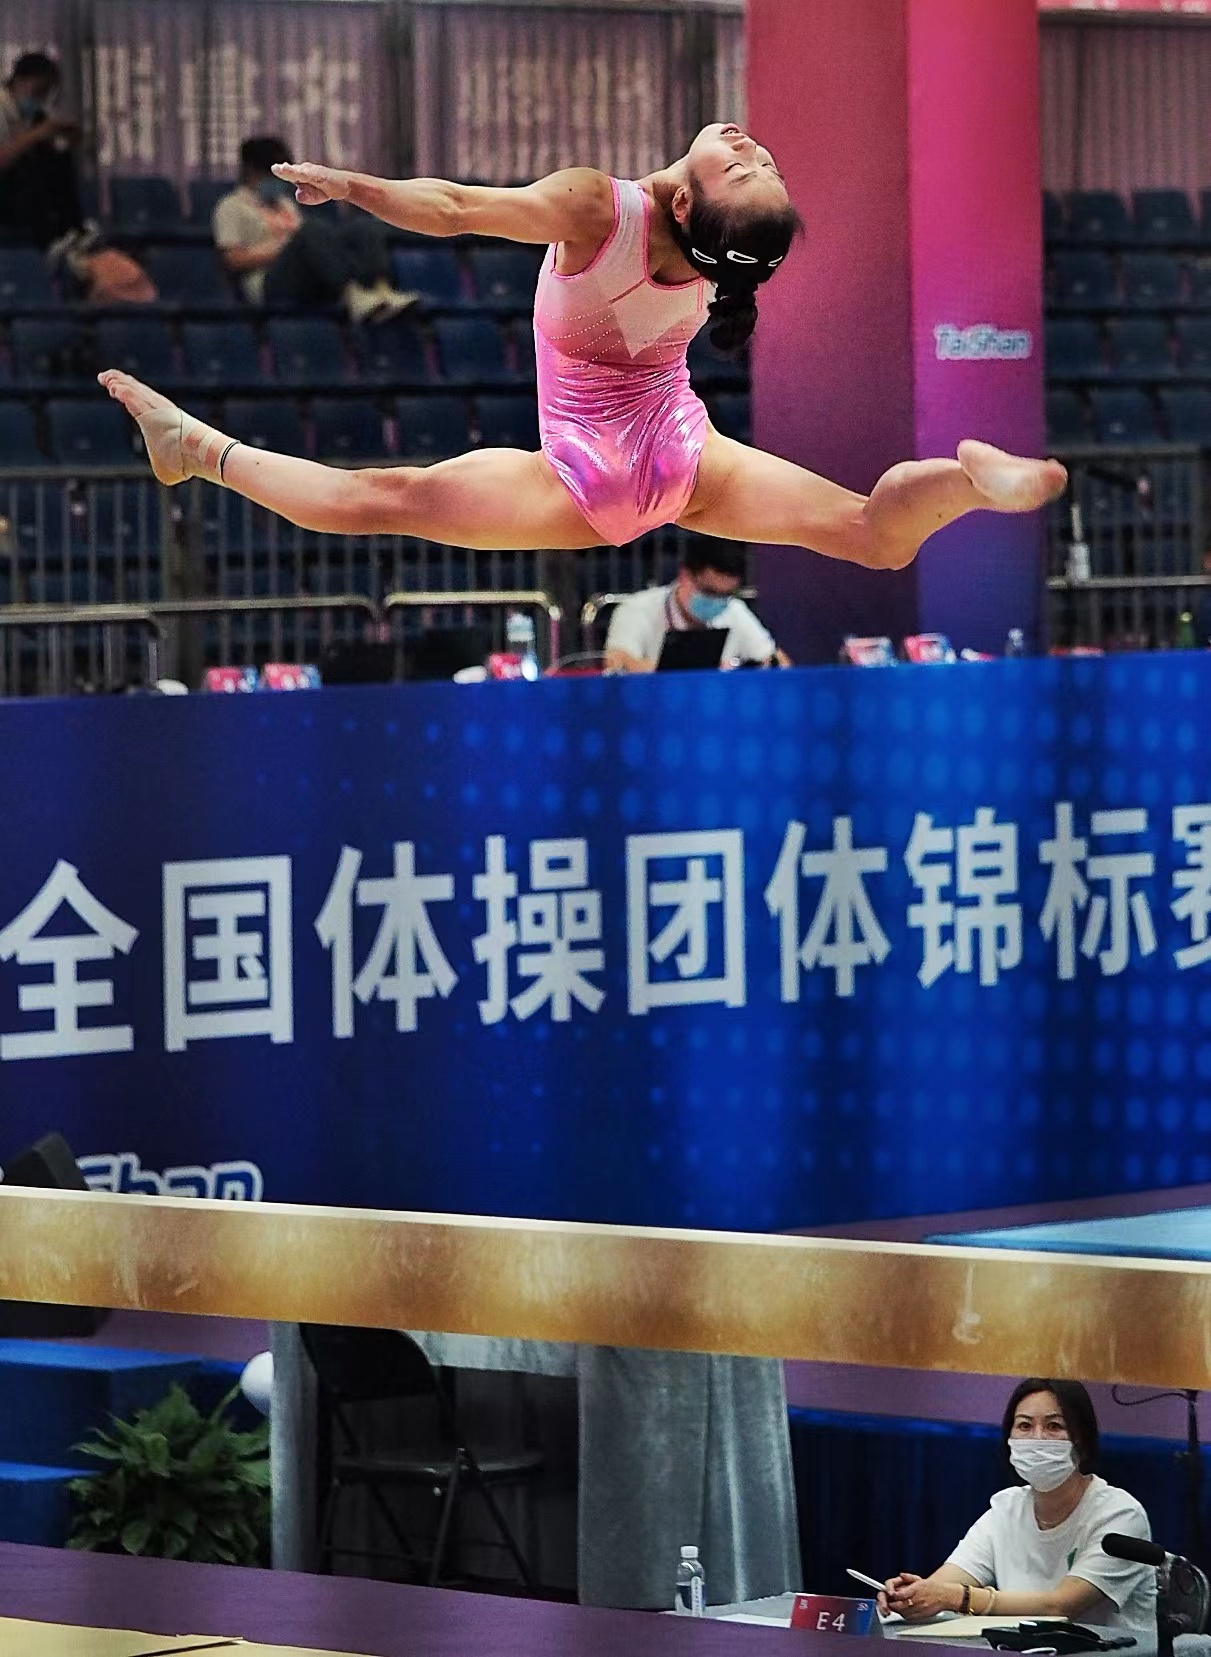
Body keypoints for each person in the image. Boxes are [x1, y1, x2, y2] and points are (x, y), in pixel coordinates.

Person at [98, 122, 1067, 569]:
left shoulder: (598, 208)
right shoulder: (720, 262)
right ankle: (968, 483)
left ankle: (198, 449)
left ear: (684, 205)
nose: (750, 142)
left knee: (374, 499)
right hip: (689, 458)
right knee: (870, 534)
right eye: (762, 158)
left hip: (580, 477)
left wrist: (356, 189)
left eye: (745, 165)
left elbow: (456, 208)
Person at [880, 1378, 1155, 1634]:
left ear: (1081, 1440)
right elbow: (945, 1584)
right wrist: (911, 1595)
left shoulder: (1120, 1514)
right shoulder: (1006, 1508)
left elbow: (1061, 1606)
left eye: (1054, 1426)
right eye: (1024, 1426)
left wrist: (957, 1598)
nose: (1037, 1438)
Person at [212, 136, 417, 324]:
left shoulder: (285, 204)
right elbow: (233, 259)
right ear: (250, 171)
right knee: (311, 230)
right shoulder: (231, 206)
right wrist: (281, 249)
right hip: (270, 283)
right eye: (269, 175)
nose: (277, 183)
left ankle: (381, 289)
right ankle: (352, 295)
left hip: (308, 276)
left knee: (362, 227)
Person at [605, 542, 790, 671]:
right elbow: (617, 663)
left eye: (725, 595)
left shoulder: (734, 610)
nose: (717, 601)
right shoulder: (637, 609)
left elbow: (779, 662)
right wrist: (704, 671)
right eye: (709, 591)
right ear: (684, 576)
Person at [0, 52, 87, 250]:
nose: (41, 99)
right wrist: (36, 135)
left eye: (46, 93)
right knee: (27, 168)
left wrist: (66, 138)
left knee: (58, 158)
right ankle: (49, 235)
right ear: (19, 81)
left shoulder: (35, 113)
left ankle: (72, 228)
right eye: (38, 91)